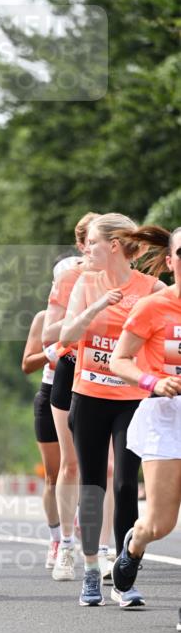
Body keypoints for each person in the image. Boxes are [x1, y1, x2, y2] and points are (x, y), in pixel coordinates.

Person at [59, 214, 166, 606]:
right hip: (88, 396)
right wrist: (97, 306)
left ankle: (124, 574)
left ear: (114, 245)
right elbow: (66, 335)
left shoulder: (151, 288)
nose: (86, 249)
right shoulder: (85, 283)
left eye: (91, 243)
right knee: (92, 485)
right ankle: (90, 570)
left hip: (132, 399)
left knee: (124, 485)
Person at [109, 225, 181, 608]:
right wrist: (153, 381)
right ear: (170, 261)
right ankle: (135, 545)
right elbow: (119, 360)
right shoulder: (153, 307)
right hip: (166, 415)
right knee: (160, 524)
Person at [42, 214, 97, 580]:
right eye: (90, 241)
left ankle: (104, 550)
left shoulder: (132, 281)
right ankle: (64, 544)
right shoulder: (68, 276)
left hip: (110, 379)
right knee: (70, 464)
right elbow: (49, 335)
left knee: (106, 469)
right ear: (82, 245)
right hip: (68, 370)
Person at [22, 310, 61, 567]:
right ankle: (56, 538)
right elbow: (27, 365)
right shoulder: (43, 318)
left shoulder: (97, 312)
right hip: (50, 392)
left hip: (88, 393)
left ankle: (98, 544)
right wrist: (54, 351)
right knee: (53, 476)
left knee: (92, 471)